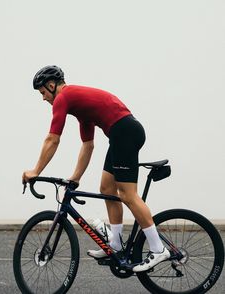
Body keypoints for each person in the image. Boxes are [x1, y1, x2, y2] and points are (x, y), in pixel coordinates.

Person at [22, 65, 170, 272]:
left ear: (52, 85)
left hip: (124, 132)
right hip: (122, 134)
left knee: (128, 195)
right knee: (107, 189)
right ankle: (116, 245)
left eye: (43, 92)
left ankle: (158, 249)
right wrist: (74, 178)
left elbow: (52, 139)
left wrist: (35, 170)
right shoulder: (81, 110)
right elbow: (88, 146)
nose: (43, 98)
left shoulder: (64, 98)